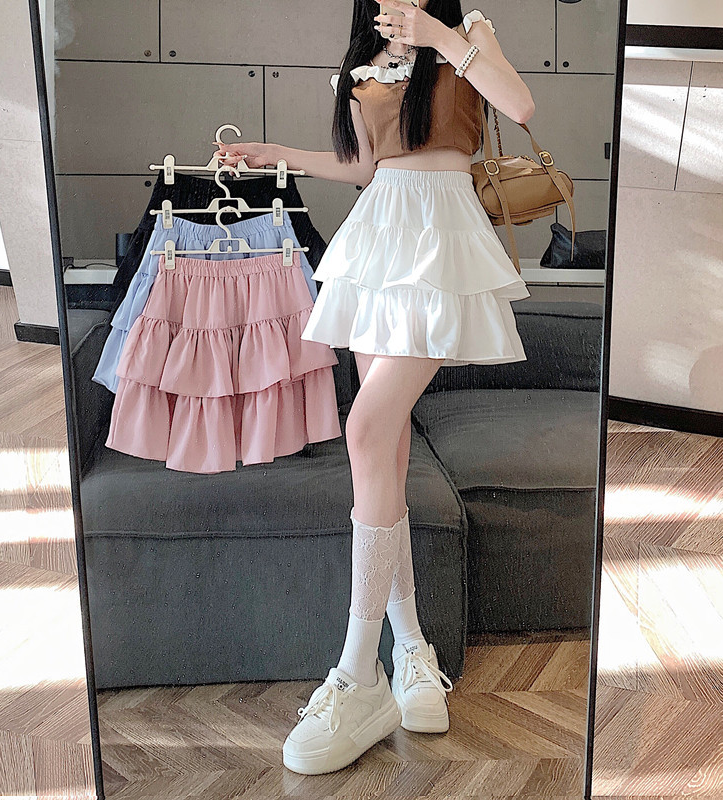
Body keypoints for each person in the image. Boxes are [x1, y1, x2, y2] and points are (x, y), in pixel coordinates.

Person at [214, 0, 535, 776]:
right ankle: (412, 650)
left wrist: (442, 38)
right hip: (376, 240)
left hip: (443, 236)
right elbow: (362, 168)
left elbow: (520, 106)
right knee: (382, 453)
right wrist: (272, 154)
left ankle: (358, 672)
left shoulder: (469, 32)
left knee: (363, 429)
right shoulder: (362, 59)